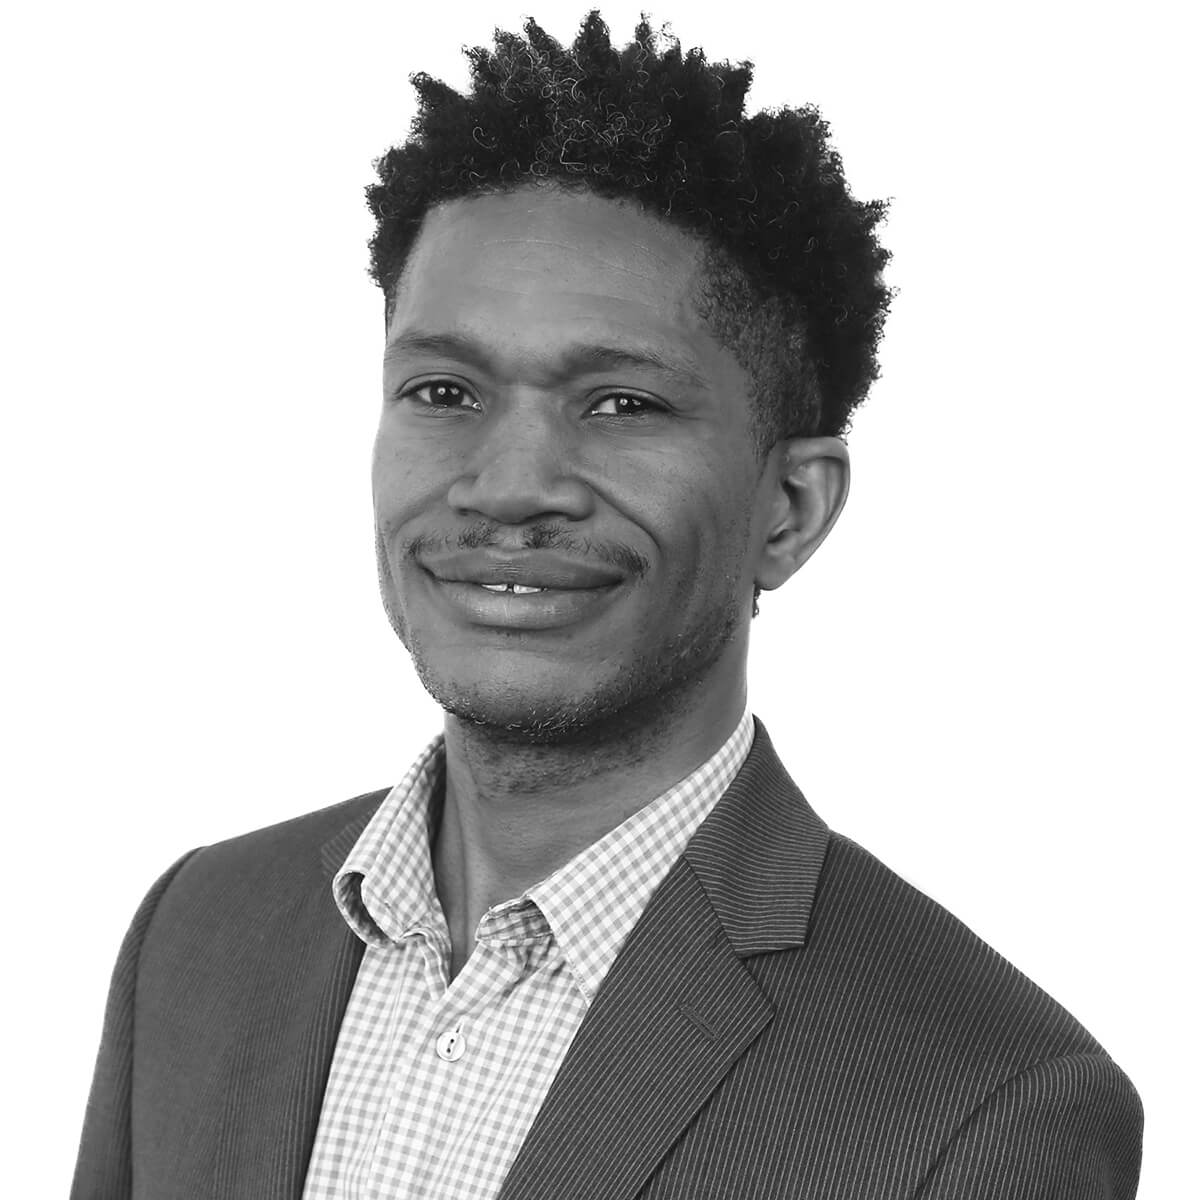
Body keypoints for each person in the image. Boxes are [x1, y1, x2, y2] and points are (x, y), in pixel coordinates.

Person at [71, 13, 1142, 1199]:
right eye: (443, 389)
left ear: (788, 508)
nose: (510, 486)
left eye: (622, 404)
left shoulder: (984, 1106)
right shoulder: (197, 931)